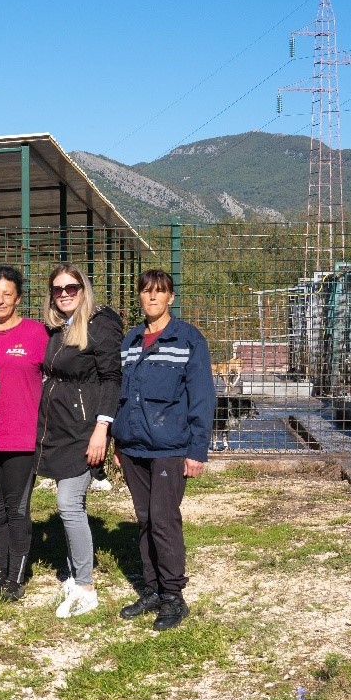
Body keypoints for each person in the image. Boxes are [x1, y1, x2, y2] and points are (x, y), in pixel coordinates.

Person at [112, 269, 214, 632]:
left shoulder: (187, 339)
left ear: (171, 297)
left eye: (160, 292)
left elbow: (202, 397)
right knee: (145, 518)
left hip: (170, 447)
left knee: (163, 518)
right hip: (133, 445)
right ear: (139, 296)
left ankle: (173, 596)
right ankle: (152, 589)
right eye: (146, 291)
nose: (152, 297)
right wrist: (119, 440)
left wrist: (197, 450)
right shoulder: (130, 341)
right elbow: (121, 395)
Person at [37, 265, 123, 620]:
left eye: (71, 287)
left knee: (68, 502)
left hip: (85, 428)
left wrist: (102, 428)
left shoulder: (100, 325)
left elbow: (112, 378)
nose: (65, 294)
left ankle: (85, 588)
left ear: (84, 289)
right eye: (58, 289)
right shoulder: (58, 328)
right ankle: (76, 573)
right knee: (71, 503)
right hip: (59, 426)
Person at [0, 265, 49, 602]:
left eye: (7, 294)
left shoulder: (36, 333)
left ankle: (15, 580)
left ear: (18, 298)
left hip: (22, 438)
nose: (1, 300)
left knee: (16, 509)